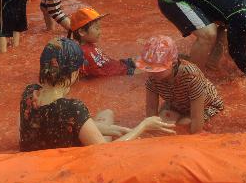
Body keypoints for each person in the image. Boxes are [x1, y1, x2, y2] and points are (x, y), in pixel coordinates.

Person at [20, 38, 175, 151]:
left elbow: (55, 123)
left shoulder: (29, 93)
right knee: (107, 119)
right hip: (72, 165)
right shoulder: (73, 108)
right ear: (73, 73)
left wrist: (119, 129)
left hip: (41, 158)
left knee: (106, 114)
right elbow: (106, 153)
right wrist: (142, 126)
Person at [139, 36, 224, 134]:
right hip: (176, 105)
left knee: (184, 124)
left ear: (174, 63)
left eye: (158, 68)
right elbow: (151, 109)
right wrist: (153, 134)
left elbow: (196, 117)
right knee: (163, 124)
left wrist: (194, 140)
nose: (153, 72)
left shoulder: (191, 76)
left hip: (207, 106)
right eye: (149, 68)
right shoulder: (153, 78)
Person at [68, 7, 136, 78]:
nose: (100, 32)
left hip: (121, 65)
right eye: (97, 28)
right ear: (82, 32)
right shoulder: (81, 54)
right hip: (123, 72)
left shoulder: (89, 44)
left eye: (100, 27)